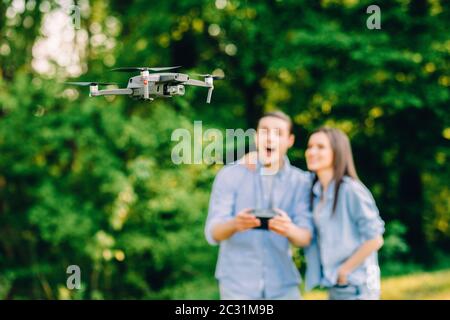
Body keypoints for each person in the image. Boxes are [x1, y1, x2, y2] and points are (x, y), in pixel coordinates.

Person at [204, 111, 313, 300]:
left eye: (278, 133)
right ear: (256, 137)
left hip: (283, 284)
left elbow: (305, 237)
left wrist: (288, 229)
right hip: (236, 285)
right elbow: (213, 233)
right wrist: (235, 224)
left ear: (290, 140)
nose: (270, 138)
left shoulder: (301, 182)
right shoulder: (230, 175)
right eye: (264, 131)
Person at [303, 127, 385, 300]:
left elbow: (375, 238)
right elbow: (287, 175)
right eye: (310, 146)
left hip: (356, 286)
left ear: (337, 152)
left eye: (320, 147)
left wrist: (344, 271)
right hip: (335, 286)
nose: (311, 152)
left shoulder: (350, 190)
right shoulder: (317, 191)